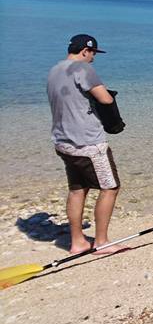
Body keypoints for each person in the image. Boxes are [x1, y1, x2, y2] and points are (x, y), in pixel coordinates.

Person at [47, 34, 124, 254]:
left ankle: (77, 241)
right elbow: (105, 99)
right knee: (110, 187)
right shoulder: (83, 69)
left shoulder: (55, 70)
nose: (93, 59)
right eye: (92, 54)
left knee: (78, 189)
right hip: (87, 142)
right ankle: (102, 242)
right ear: (85, 51)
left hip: (63, 142)